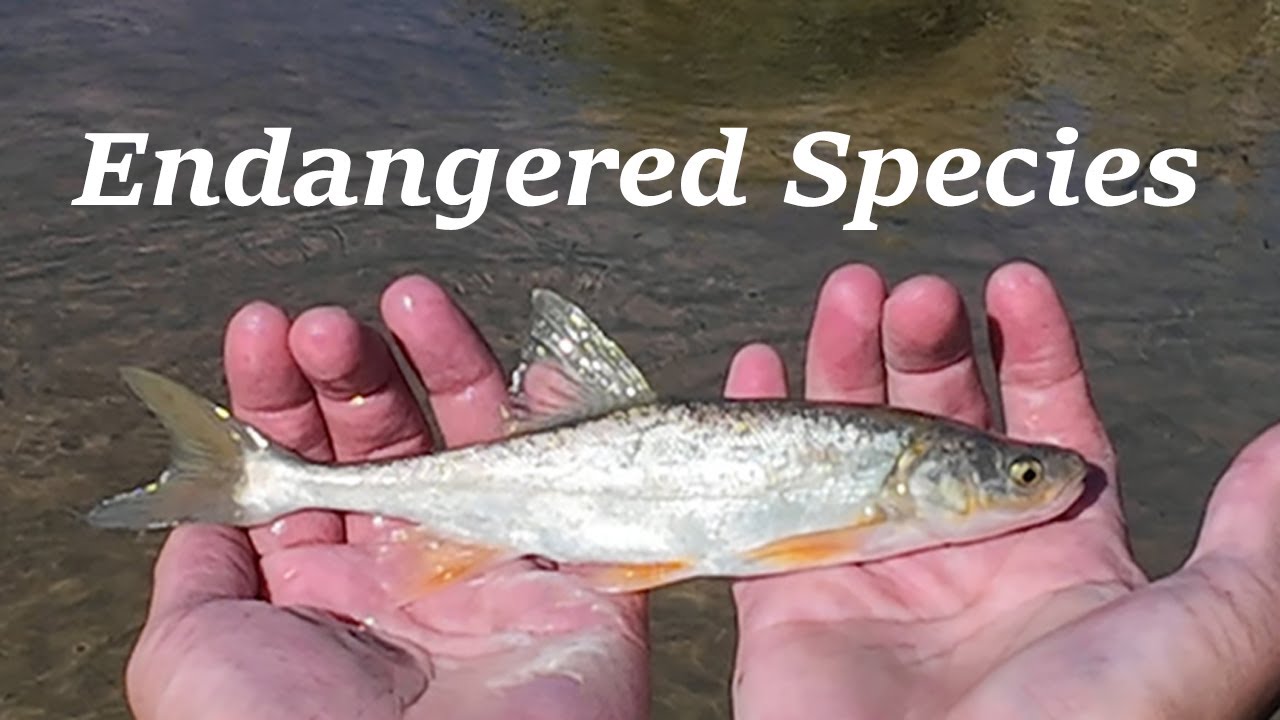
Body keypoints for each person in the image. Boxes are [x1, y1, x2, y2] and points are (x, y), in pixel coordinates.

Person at [118, 261, 1280, 720]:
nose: (1043, 485)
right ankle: (267, 481)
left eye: (1023, 473)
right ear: (945, 478)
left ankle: (271, 482)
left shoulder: (903, 473)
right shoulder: (890, 482)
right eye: (1021, 475)